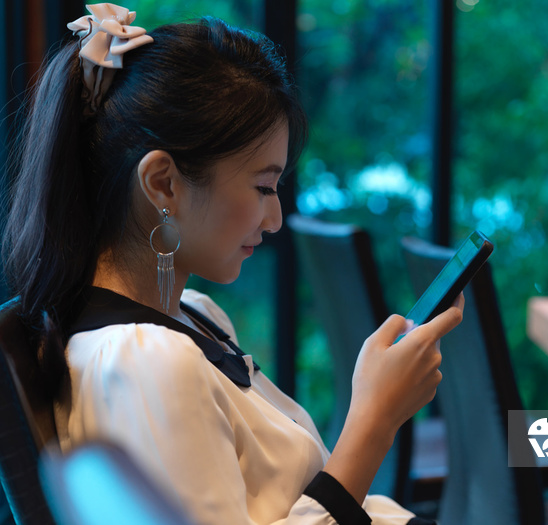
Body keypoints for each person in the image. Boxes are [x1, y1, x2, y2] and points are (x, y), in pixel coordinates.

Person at [2, 4, 464, 524]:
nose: (275, 218)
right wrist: (374, 419)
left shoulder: (190, 314)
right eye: (263, 186)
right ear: (163, 184)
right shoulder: (145, 362)